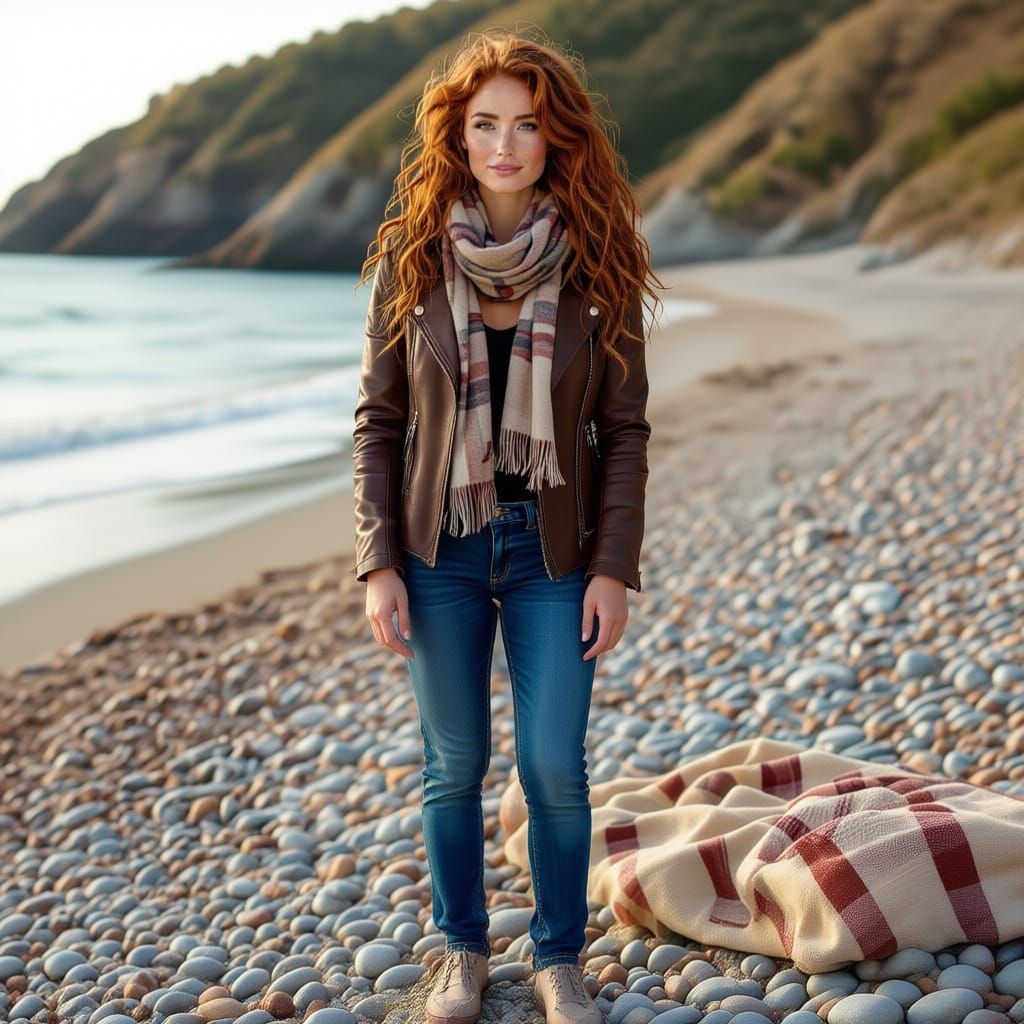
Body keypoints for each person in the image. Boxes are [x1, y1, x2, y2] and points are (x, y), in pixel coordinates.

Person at [352, 29, 659, 1024]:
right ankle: (460, 952)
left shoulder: (597, 262)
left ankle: (558, 957)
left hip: (553, 552)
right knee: (452, 767)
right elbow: (380, 422)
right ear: (458, 135)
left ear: (553, 137)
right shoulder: (409, 258)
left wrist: (613, 567)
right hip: (437, 548)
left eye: (526, 124)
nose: (504, 143)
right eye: (485, 123)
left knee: (553, 766)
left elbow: (624, 429)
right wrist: (376, 564)